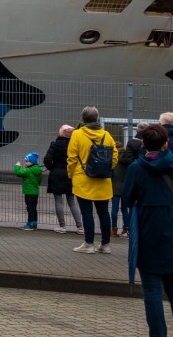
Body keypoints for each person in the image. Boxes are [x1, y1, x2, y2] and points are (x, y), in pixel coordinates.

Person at [123, 123, 173, 337]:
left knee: (152, 291)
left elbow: (127, 198)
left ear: (143, 143)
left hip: (148, 234)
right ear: (166, 143)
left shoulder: (136, 168)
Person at [67, 105, 118, 254]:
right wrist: (105, 169)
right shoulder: (106, 135)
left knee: (86, 212)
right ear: (97, 118)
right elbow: (114, 157)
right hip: (103, 180)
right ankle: (105, 245)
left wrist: (72, 174)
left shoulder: (77, 134)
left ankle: (89, 244)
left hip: (83, 180)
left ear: (82, 118)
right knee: (104, 212)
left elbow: (71, 158)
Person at [44, 124, 83, 233]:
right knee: (72, 201)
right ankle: (80, 227)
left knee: (58, 201)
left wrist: (53, 168)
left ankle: (62, 226)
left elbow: (47, 160)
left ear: (60, 132)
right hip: (71, 175)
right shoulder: (75, 145)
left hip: (56, 174)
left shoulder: (55, 145)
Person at [113, 125, 145, 237]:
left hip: (115, 187)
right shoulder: (128, 159)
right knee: (125, 208)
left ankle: (113, 228)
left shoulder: (115, 159)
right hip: (127, 185)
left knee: (114, 208)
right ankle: (127, 228)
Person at [14, 152, 44, 230]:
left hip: (28, 192)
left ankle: (29, 224)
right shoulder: (38, 170)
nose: (25, 163)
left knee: (30, 208)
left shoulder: (28, 171)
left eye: (27, 161)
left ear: (32, 162)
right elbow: (39, 180)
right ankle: (34, 223)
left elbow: (18, 173)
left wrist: (17, 166)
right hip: (35, 192)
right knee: (33, 208)